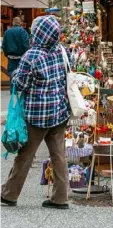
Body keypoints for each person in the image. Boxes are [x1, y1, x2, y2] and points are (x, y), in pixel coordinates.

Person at [1, 15, 70, 209]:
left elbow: (20, 84)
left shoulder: (31, 56)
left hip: (37, 115)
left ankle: (9, 194)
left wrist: (15, 76)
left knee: (25, 155)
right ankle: (60, 197)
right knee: (59, 156)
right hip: (59, 112)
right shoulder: (61, 51)